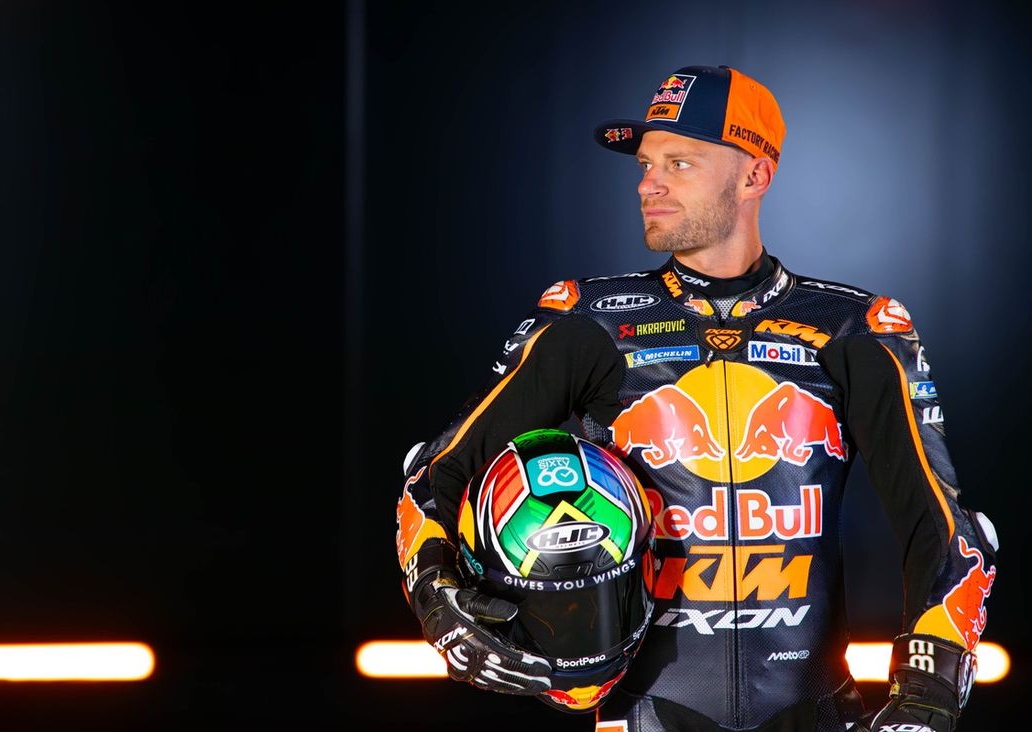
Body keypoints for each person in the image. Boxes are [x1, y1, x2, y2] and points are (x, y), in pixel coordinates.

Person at [394, 64, 998, 732]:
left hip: (818, 712)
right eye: (646, 165)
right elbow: (436, 474)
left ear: (754, 176)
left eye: (679, 163)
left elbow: (942, 526)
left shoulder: (854, 329)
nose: (648, 183)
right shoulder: (588, 322)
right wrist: (437, 597)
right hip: (641, 713)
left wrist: (927, 689)